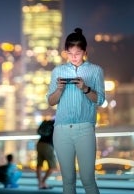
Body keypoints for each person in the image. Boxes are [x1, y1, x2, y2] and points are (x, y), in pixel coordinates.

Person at [46, 28, 105, 194]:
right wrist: (58, 90)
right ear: (65, 52)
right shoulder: (58, 72)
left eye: (78, 53)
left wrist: (85, 88)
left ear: (85, 52)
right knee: (68, 182)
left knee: (88, 180)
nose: (73, 57)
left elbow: (100, 99)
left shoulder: (95, 71)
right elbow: (50, 101)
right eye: (70, 53)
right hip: (61, 130)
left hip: (84, 129)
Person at [36, 119, 57, 190]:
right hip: (48, 146)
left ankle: (40, 184)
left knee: (39, 165)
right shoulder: (57, 124)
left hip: (39, 144)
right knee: (53, 166)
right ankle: (42, 182)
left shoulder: (47, 123)